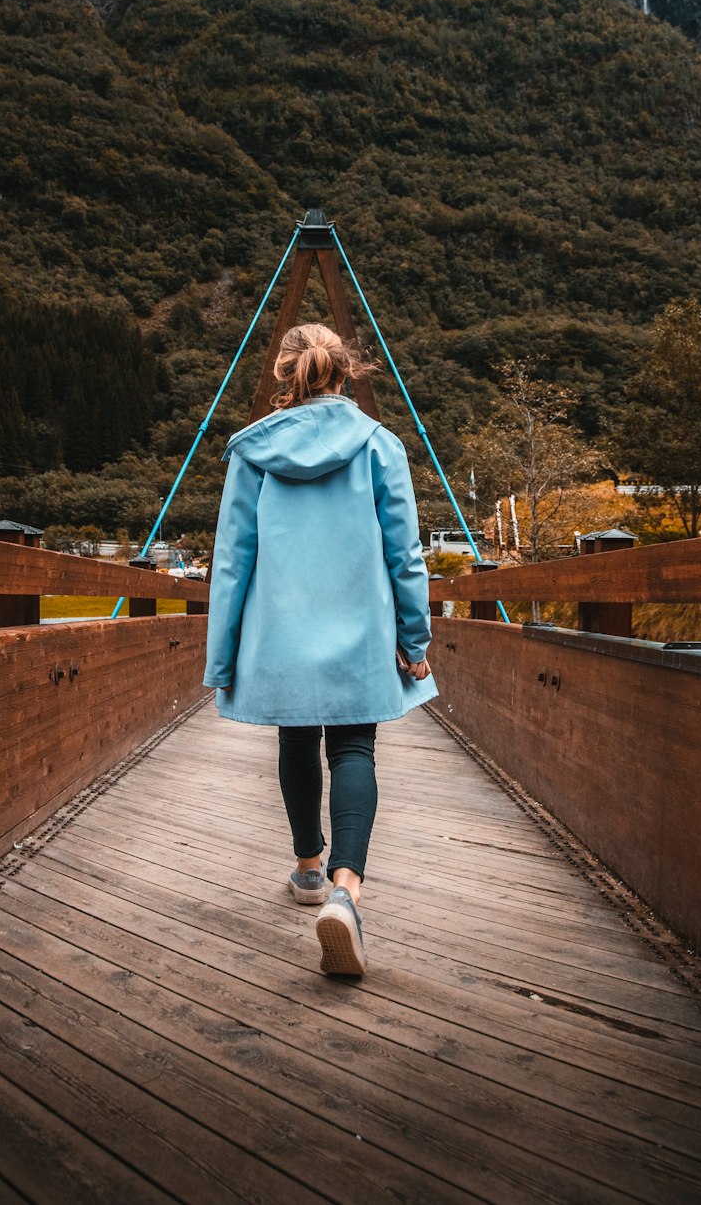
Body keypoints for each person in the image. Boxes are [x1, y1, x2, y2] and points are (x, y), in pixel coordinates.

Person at [203, 322, 437, 976]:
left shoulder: (253, 451)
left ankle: (308, 868)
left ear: (286, 373)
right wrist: (413, 641)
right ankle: (345, 892)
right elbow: (406, 556)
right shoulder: (379, 445)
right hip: (360, 632)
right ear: (345, 371)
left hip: (281, 635)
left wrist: (221, 659)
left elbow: (231, 563)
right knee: (355, 748)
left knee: (296, 741)